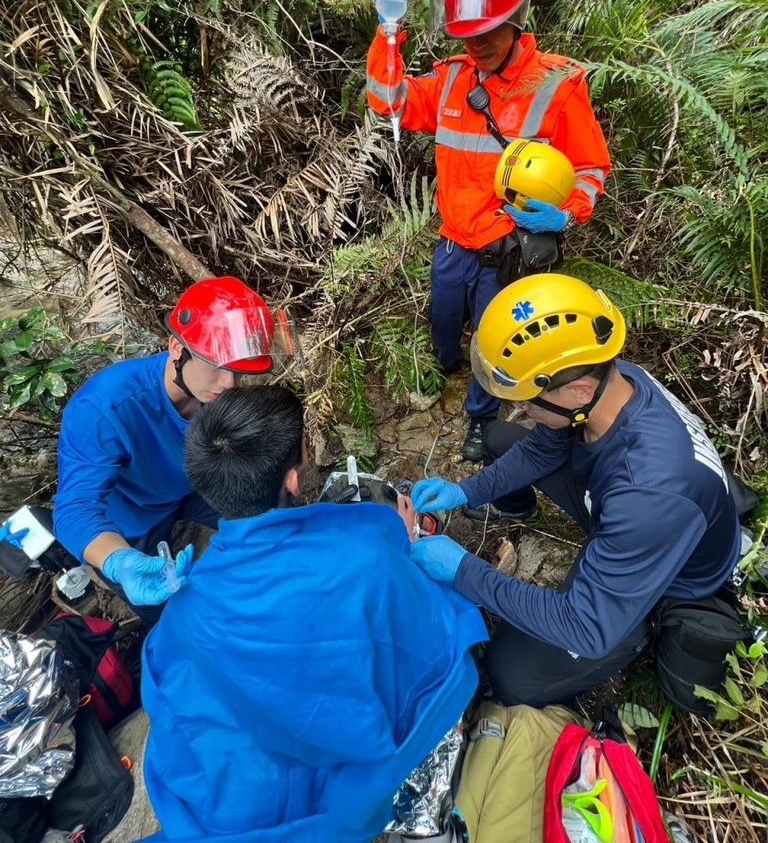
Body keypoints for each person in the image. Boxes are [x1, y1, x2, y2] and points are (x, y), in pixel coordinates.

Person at [140, 386, 486, 843]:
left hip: (243, 787)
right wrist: (404, 544)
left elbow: (171, 687)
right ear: (292, 479)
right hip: (353, 765)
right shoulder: (365, 553)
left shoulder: (184, 600)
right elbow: (423, 642)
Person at [408, 273, 742, 708]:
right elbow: (540, 450)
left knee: (511, 676)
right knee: (498, 439)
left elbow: (584, 626)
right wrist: (465, 491)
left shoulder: (650, 494)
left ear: (579, 389)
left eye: (527, 399)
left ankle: (639, 636)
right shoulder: (615, 380)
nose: (521, 409)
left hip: (661, 579)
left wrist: (464, 571)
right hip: (617, 508)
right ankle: (526, 513)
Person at [365, 0, 611, 462]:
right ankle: (442, 364)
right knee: (445, 321)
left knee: (491, 341)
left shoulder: (556, 86)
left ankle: (479, 418)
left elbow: (592, 167)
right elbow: (388, 100)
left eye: (487, 32)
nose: (475, 45)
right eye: (465, 34)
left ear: (517, 15)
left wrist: (565, 215)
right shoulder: (453, 77)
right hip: (452, 242)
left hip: (507, 250)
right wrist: (387, 27)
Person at [53, 275, 289, 625]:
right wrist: (119, 561)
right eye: (216, 366)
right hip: (132, 517)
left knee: (273, 518)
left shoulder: (220, 392)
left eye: (238, 372)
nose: (229, 385)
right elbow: (74, 509)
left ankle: (280, 590)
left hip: (193, 487)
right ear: (176, 348)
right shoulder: (104, 408)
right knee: (164, 610)